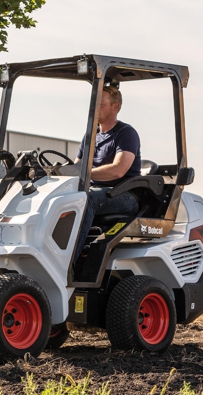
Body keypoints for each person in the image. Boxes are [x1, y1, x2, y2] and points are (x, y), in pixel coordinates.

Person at [74, 85, 141, 262]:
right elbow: (76, 168)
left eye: (101, 104)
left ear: (115, 107)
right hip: (98, 191)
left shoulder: (126, 133)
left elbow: (119, 170)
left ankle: (69, 262)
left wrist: (85, 174)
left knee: (86, 199)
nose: (95, 109)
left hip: (124, 194)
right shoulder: (90, 137)